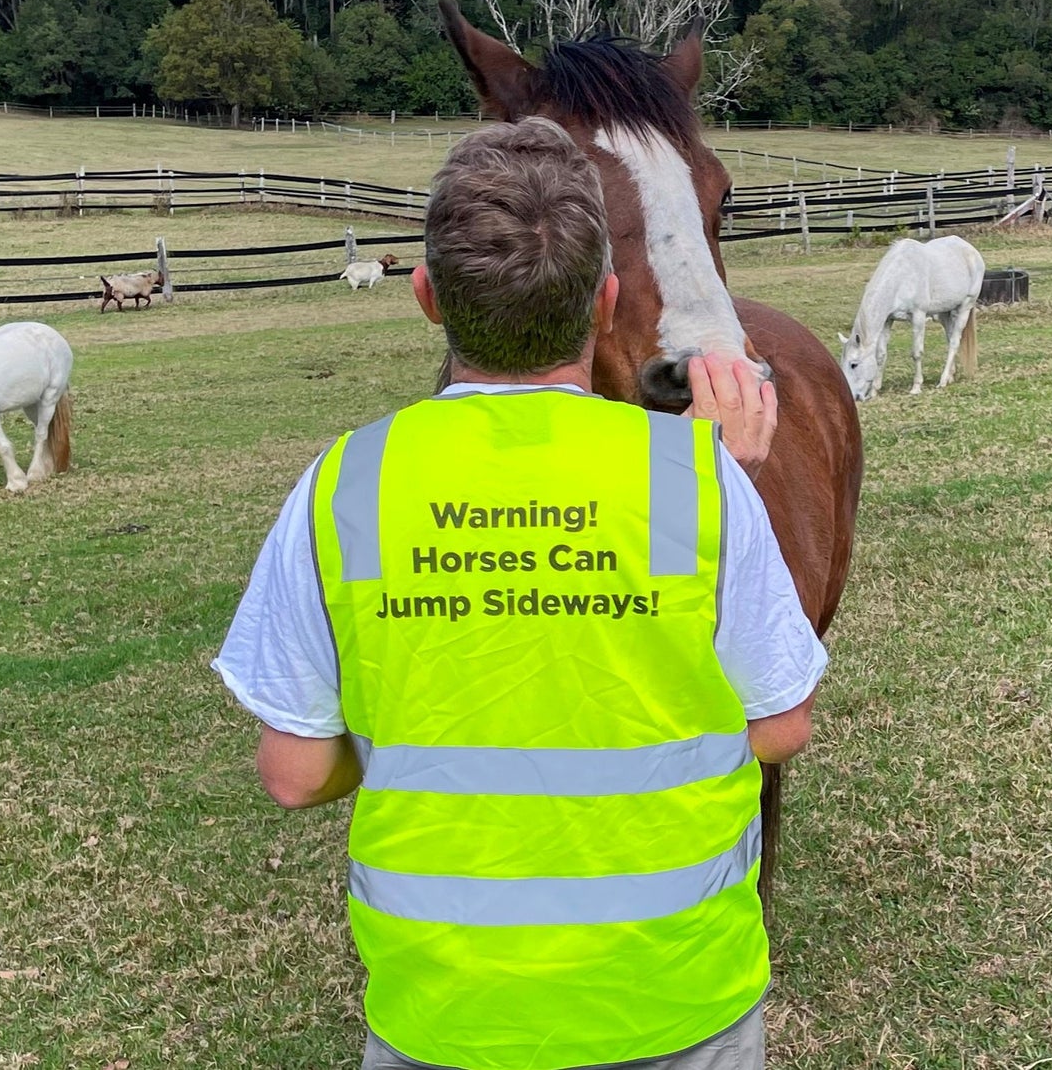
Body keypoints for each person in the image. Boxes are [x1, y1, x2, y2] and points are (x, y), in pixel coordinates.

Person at [213, 117, 827, 1070]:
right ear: (606, 302)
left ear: (426, 297)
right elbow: (780, 726)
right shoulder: (700, 482)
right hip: (678, 1003)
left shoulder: (342, 486)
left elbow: (294, 774)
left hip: (446, 1018)